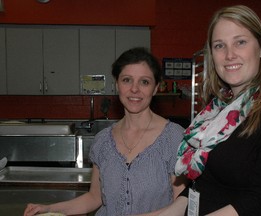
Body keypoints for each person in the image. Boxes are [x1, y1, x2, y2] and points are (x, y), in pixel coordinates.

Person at [156, 5, 261, 216]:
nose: (229, 55)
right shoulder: (218, 108)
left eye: (240, 42)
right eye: (219, 46)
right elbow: (205, 183)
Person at [23, 47, 187, 216]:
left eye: (144, 82)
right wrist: (49, 208)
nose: (134, 89)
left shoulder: (174, 138)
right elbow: (94, 198)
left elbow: (181, 205)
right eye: (127, 80)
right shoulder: (103, 140)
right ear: (116, 85)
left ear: (155, 88)